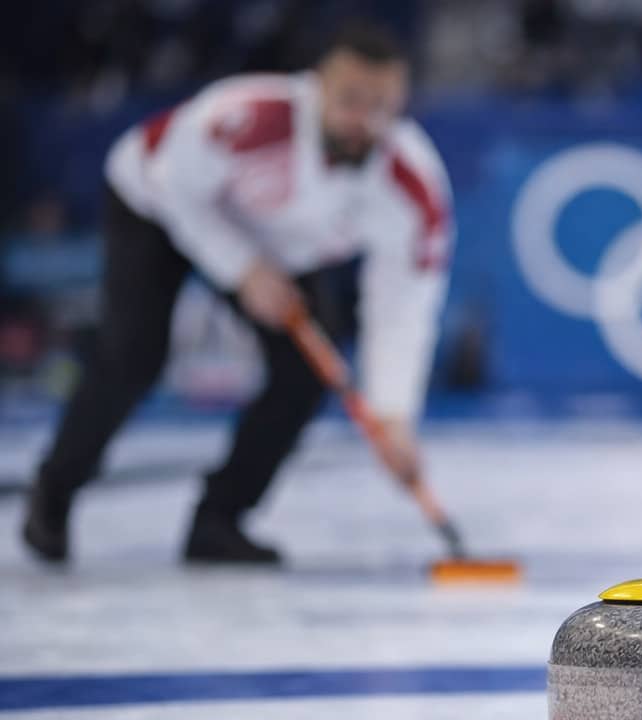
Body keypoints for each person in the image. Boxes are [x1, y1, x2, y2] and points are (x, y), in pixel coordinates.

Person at [22, 20, 452, 565]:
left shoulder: (412, 185)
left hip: (279, 245)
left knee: (303, 374)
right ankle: (54, 492)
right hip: (158, 204)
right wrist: (241, 268)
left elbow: (403, 301)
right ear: (317, 87)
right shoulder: (245, 118)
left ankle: (219, 520)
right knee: (133, 357)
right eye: (350, 100)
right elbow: (169, 182)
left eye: (381, 104)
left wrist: (394, 413)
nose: (363, 120)